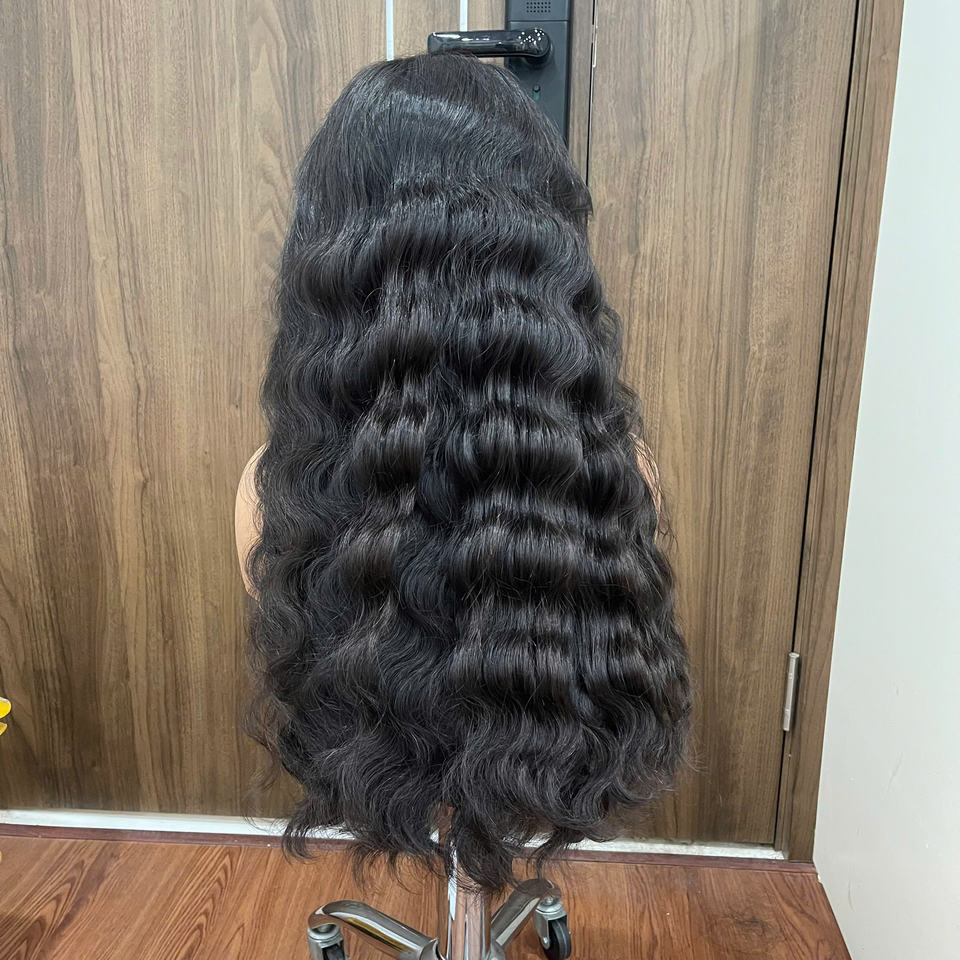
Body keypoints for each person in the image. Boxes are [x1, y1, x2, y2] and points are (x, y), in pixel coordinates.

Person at [234, 51, 690, 892]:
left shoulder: (275, 497)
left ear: (334, 257)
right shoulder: (624, 474)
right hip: (540, 766)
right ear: (544, 245)